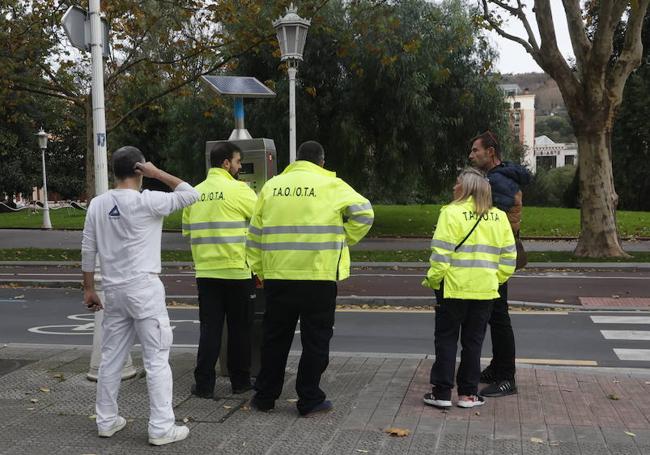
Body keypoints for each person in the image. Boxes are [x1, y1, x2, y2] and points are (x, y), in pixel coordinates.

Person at [245, 141, 373, 417]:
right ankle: (309, 398)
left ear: (297, 160)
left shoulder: (272, 187)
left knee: (274, 339)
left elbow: (254, 234)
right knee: (316, 340)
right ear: (321, 162)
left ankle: (265, 397)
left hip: (278, 276)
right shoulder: (331, 185)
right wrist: (343, 239)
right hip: (318, 276)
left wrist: (260, 271)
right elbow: (365, 213)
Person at [81, 146, 198, 446]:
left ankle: (106, 420)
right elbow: (189, 194)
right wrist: (156, 173)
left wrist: (89, 288)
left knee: (111, 358)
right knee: (157, 359)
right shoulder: (148, 201)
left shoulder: (97, 204)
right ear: (138, 170)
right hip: (145, 289)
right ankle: (160, 428)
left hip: (114, 291)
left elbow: (87, 248)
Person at [422, 167, 516, 409]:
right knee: (473, 343)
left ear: (466, 188)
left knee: (446, 340)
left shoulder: (451, 213)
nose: (454, 187)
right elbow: (508, 258)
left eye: (457, 183)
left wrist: (434, 280)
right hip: (485, 290)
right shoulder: (499, 217)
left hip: (453, 288)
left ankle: (442, 393)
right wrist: (496, 280)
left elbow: (440, 254)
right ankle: (468, 394)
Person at [182, 142, 258, 398]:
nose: (239, 167)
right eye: (237, 162)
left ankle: (204, 385)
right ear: (226, 163)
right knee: (240, 329)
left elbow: (188, 232)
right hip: (237, 271)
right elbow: (260, 222)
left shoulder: (194, 193)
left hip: (205, 272)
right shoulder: (240, 190)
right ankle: (240, 382)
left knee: (210, 329)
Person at [468, 130, 531, 397]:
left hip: (496, 258)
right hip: (495, 256)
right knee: (495, 315)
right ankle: (497, 367)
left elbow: (490, 218)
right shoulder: (499, 176)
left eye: (475, 150)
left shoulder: (497, 180)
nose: (472, 155)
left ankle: (507, 377)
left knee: (499, 316)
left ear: (490, 152)